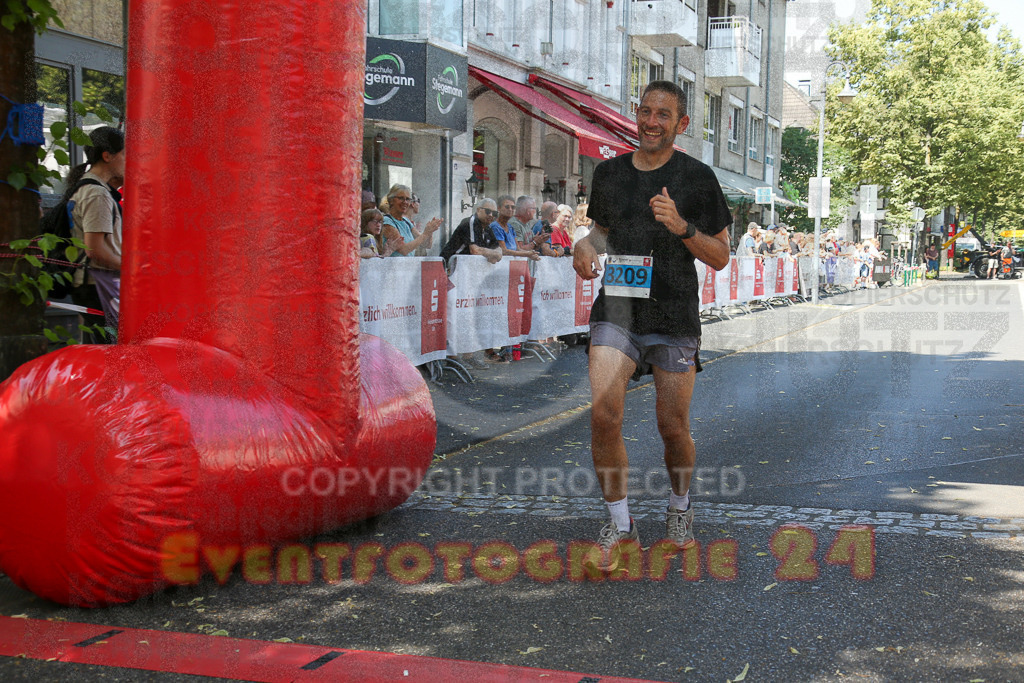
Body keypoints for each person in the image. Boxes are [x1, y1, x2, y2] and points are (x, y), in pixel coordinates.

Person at [572, 80, 731, 569]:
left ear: (681, 124)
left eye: (664, 114)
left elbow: (722, 256)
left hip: (674, 315)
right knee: (604, 413)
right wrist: (584, 246)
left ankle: (680, 507)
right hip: (618, 310)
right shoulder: (611, 174)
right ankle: (620, 526)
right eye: (645, 112)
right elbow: (600, 232)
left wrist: (681, 226)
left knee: (672, 426)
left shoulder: (698, 178)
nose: (652, 122)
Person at [66, 125, 125, 331]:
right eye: (125, 155)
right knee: (110, 351)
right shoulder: (96, 194)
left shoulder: (90, 188)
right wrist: (133, 269)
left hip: (94, 283)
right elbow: (96, 250)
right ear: (107, 156)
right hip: (97, 284)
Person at [440, 198, 504, 266]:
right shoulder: (469, 222)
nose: (491, 215)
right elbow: (475, 250)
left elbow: (497, 247)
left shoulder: (488, 227)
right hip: (449, 267)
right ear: (478, 210)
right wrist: (494, 254)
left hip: (466, 267)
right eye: (487, 211)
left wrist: (496, 255)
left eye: (494, 213)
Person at [381, 184, 441, 256]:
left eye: (408, 199)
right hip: (394, 266)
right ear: (391, 200)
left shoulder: (406, 222)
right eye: (401, 198)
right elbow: (403, 250)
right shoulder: (387, 221)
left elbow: (426, 245)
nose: (405, 202)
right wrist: (425, 234)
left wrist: (430, 231)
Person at [490, 194, 541, 261]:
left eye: (513, 207)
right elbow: (503, 251)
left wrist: (531, 254)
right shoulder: (495, 226)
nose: (510, 210)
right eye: (507, 207)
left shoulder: (510, 227)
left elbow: (518, 249)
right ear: (499, 208)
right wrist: (526, 254)